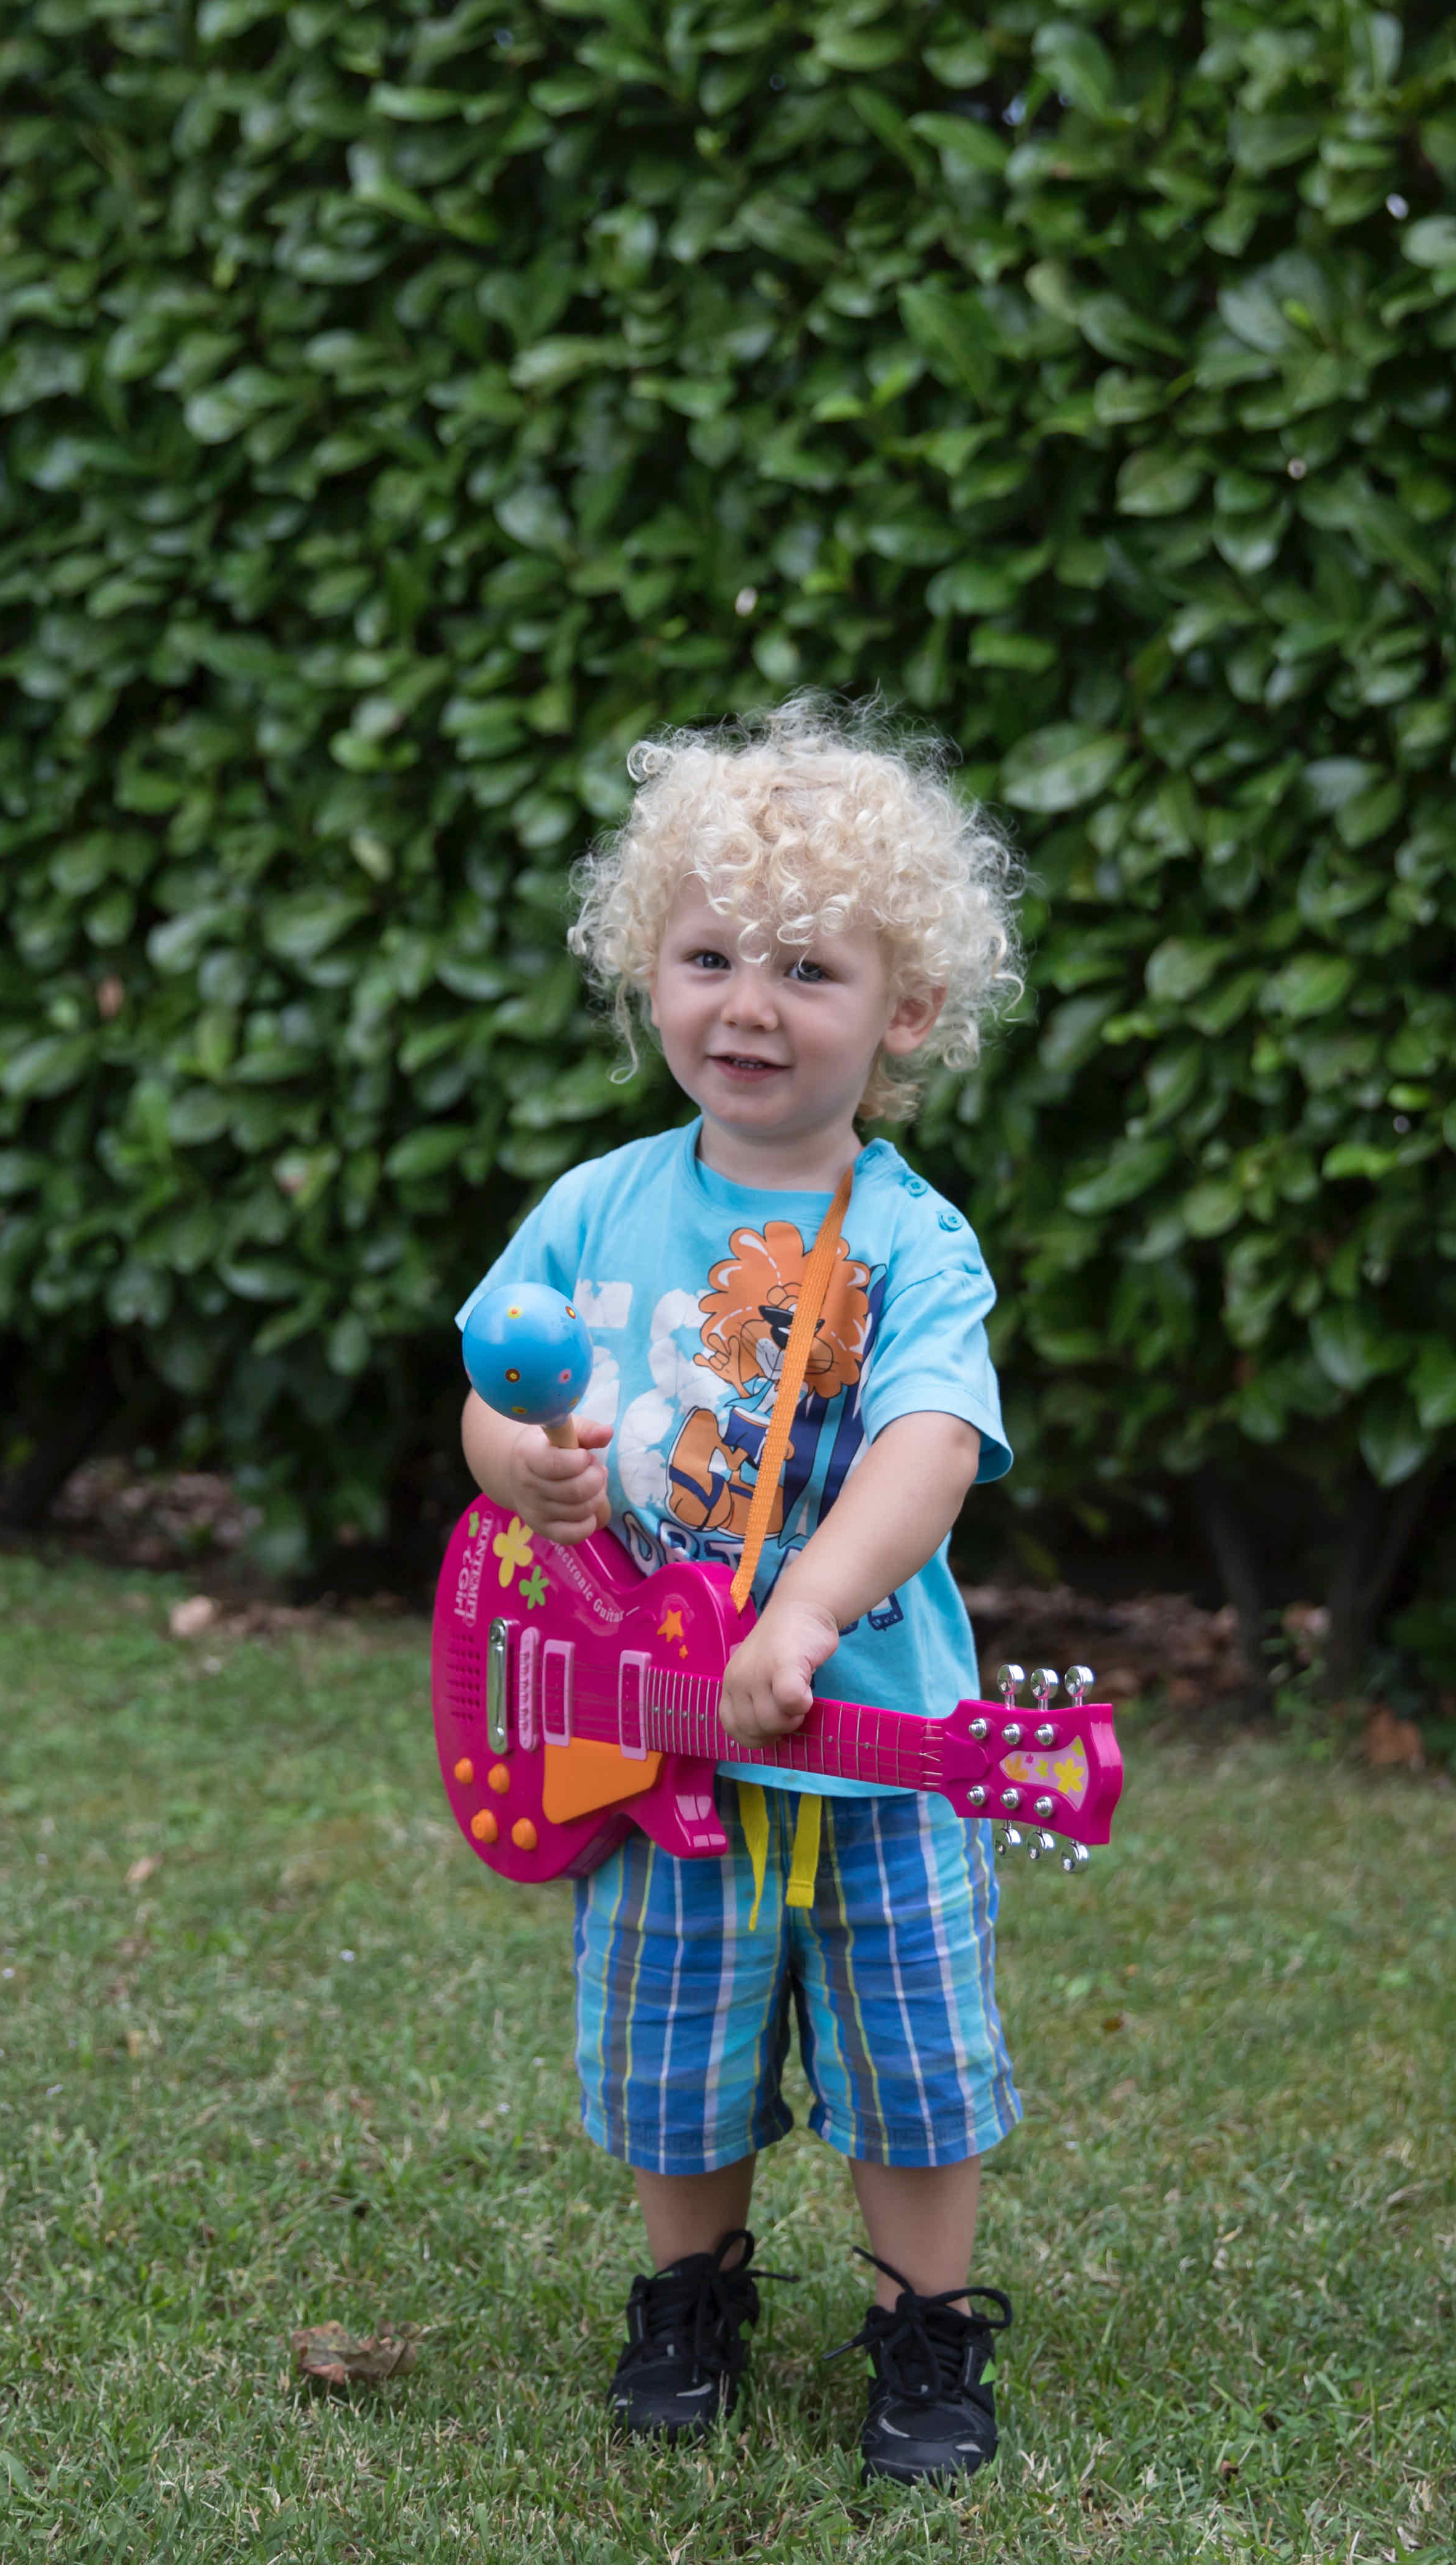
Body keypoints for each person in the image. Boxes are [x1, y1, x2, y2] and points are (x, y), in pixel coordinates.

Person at [455, 697, 1031, 2485]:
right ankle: (689, 2294)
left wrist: (803, 1619)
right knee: (669, 2042)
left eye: (808, 969)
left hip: (871, 1745)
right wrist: (519, 1462)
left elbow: (932, 1444)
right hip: (649, 1754)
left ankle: (923, 2328)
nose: (750, 1005)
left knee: (914, 2053)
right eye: (707, 958)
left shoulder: (911, 1241)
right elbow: (491, 1387)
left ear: (908, 1011)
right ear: (652, 976)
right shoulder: (596, 1208)